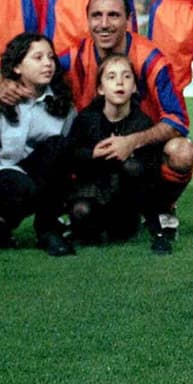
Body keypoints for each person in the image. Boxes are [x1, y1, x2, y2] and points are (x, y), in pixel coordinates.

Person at [54, 0, 193, 247]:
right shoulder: (72, 57)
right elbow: (34, 72)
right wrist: (9, 83)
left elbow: (178, 121)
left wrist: (132, 141)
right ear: (87, 20)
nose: (104, 24)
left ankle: (163, 209)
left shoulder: (152, 60)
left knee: (182, 151)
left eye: (113, 15)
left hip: (142, 150)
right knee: (53, 142)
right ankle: (62, 210)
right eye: (97, 16)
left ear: (128, 20)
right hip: (95, 152)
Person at [0, 33, 76, 255]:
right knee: (19, 185)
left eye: (50, 58)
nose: (47, 64)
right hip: (4, 179)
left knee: (59, 145)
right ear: (18, 67)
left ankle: (48, 230)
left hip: (40, 177)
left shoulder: (63, 106)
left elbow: (64, 162)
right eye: (38, 58)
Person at [60, 53, 174, 254]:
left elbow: (151, 173)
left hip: (125, 199)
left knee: (133, 170)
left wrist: (129, 154)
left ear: (135, 87)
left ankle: (148, 226)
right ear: (100, 89)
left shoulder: (142, 124)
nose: (119, 82)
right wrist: (92, 154)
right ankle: (69, 225)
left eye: (126, 76)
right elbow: (68, 155)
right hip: (91, 192)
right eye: (111, 77)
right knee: (82, 214)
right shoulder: (86, 119)